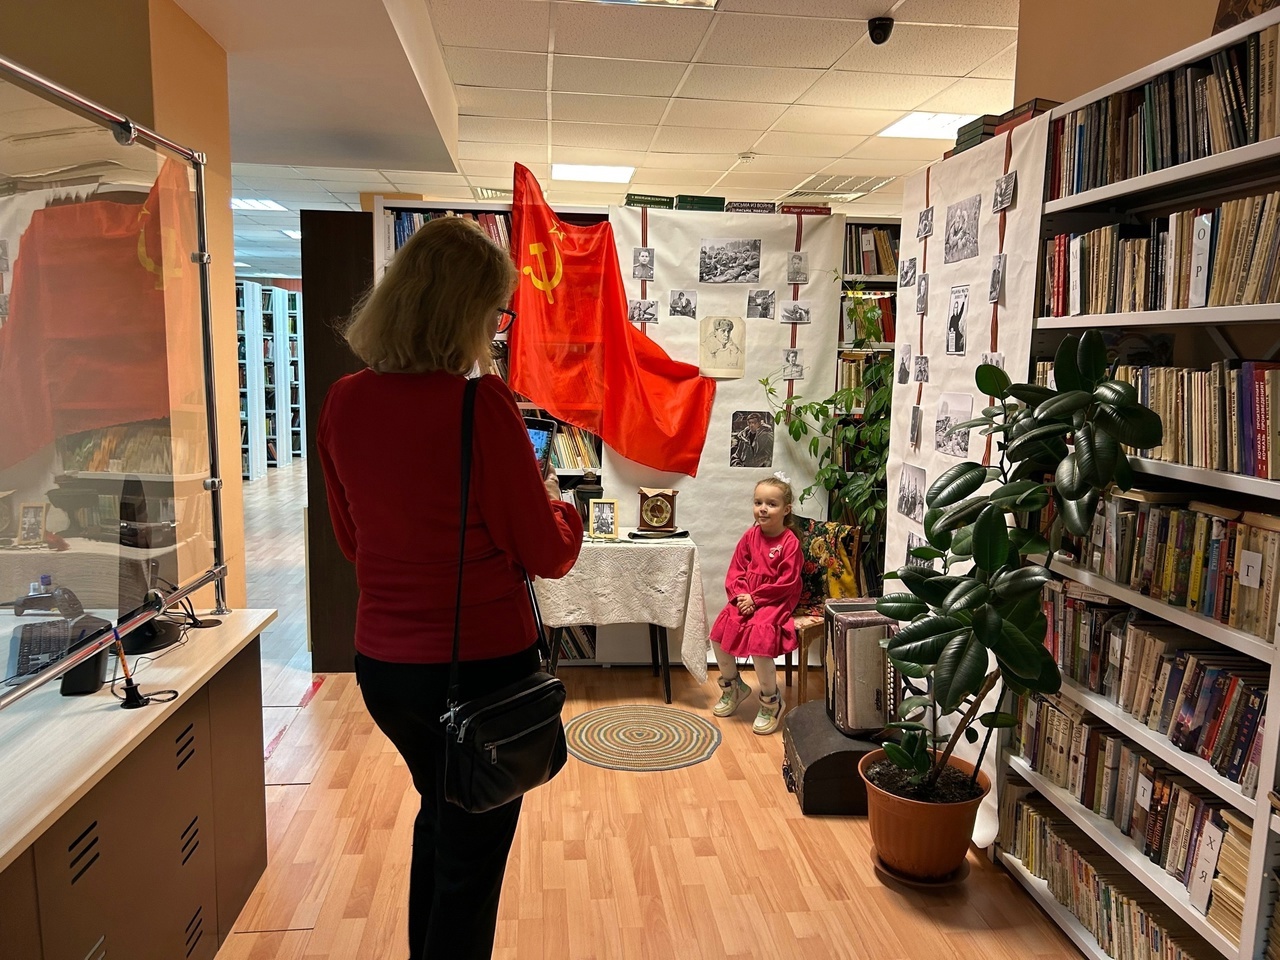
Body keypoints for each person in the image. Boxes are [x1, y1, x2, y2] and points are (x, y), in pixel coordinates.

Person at [316, 216, 583, 960]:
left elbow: (353, 544)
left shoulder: (343, 401)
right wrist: (564, 510)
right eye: (494, 312)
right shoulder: (479, 405)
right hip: (482, 673)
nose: (496, 329)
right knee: (472, 860)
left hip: (387, 671)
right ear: (461, 311)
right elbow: (547, 553)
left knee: (442, 819)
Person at [708, 474, 803, 735]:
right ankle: (734, 687)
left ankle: (771, 701)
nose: (763, 508)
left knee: (760, 641)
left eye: (771, 504)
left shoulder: (790, 543)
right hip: (746, 596)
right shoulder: (750, 536)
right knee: (718, 634)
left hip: (775, 598)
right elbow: (736, 570)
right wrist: (742, 596)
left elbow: (787, 582)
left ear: (786, 509)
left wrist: (757, 599)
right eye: (758, 502)